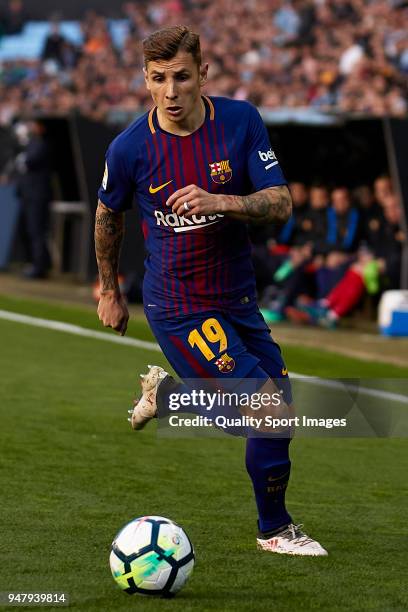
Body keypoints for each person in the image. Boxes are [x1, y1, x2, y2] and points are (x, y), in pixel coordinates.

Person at [95, 25, 327, 557]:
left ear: (203, 73)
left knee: (278, 417)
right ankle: (275, 531)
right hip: (178, 304)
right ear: (145, 81)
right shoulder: (130, 148)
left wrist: (222, 201)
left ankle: (170, 399)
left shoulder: (240, 122)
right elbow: (109, 217)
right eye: (158, 79)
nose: (171, 92)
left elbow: (281, 202)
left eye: (181, 77)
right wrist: (109, 289)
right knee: (267, 413)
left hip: (239, 299)